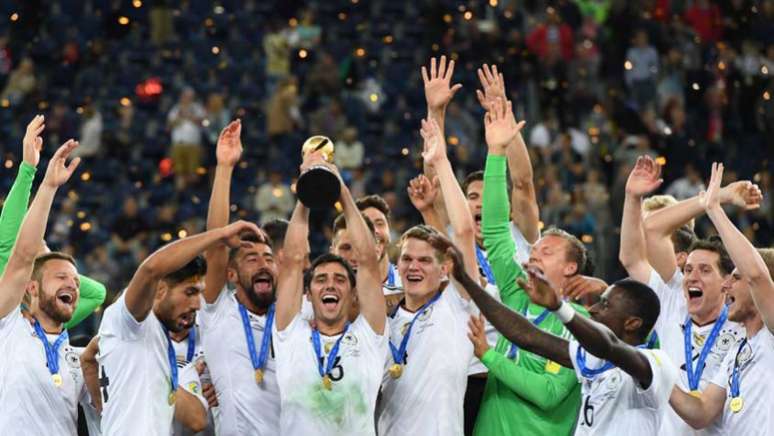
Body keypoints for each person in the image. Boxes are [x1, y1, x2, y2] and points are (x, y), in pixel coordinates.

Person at [447, 242, 679, 436]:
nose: (595, 309)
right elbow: (528, 337)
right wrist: (467, 281)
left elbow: (609, 346)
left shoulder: (656, 364)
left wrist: (559, 307)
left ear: (632, 323)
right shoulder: (592, 357)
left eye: (605, 304)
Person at [470, 96, 589, 436]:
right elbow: (494, 231)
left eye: (548, 251)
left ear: (570, 269)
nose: (535, 253)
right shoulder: (516, 297)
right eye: (536, 248)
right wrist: (495, 153)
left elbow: (549, 394)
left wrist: (489, 356)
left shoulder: (582, 325)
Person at [621, 156, 762, 434]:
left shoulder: (742, 322)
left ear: (726, 282)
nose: (692, 277)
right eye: (687, 270)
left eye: (705, 270)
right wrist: (715, 197)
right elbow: (645, 238)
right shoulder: (671, 301)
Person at [96, 211, 261, 435]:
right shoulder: (132, 322)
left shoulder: (157, 336)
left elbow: (196, 421)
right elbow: (151, 269)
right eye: (190, 292)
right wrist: (219, 234)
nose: (197, 305)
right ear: (160, 290)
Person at [377, 115, 480, 436]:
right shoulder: (382, 318)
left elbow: (462, 232)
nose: (413, 266)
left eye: (424, 260)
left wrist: (440, 161)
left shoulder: (457, 306)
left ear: (445, 268)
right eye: (406, 259)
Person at [272, 153, 387, 435]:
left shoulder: (369, 335)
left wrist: (340, 189)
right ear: (308, 295)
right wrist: (306, 190)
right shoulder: (290, 333)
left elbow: (368, 260)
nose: (330, 285)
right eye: (320, 279)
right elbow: (293, 261)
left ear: (353, 293)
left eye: (339, 279)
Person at [669, 163, 774, 435]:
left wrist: (714, 209)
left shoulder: (771, 335)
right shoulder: (737, 349)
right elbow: (701, 412)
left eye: (735, 278)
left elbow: (757, 276)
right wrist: (653, 373)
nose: (726, 285)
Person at [0, 139, 89, 434]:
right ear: (32, 288)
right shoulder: (8, 327)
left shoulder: (81, 359)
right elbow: (23, 256)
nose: (73, 285)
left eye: (76, 281)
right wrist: (48, 186)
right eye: (61, 277)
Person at [198, 119, 281, 435]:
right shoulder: (218, 313)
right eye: (251, 258)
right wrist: (224, 167)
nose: (262, 264)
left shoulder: (294, 316)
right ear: (231, 274)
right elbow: (216, 247)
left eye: (268, 259)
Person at [0, 115, 106, 329]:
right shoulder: (9, 261)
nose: (71, 285)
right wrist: (28, 169)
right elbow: (12, 245)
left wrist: (46, 262)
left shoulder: (39, 324)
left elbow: (98, 293)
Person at [167, 87, 205, 190]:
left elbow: (203, 122)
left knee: (192, 171)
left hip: (193, 144)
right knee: (179, 171)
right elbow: (170, 125)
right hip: (178, 144)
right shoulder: (176, 109)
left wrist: (189, 116)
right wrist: (180, 117)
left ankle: (190, 192)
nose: (187, 99)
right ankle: (179, 193)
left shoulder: (197, 108)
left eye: (189, 97)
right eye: (185, 96)